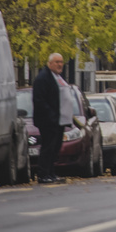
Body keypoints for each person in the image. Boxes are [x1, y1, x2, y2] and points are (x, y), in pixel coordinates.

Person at [33, 53, 73, 184]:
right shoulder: (43, 78)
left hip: (59, 120)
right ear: (50, 63)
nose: (60, 64)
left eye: (61, 62)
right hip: (48, 120)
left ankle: (51, 173)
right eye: (56, 62)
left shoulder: (58, 77)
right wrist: (52, 115)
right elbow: (39, 100)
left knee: (55, 148)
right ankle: (43, 174)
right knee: (48, 147)